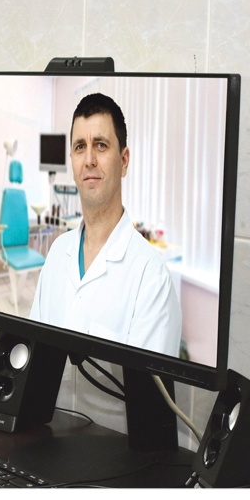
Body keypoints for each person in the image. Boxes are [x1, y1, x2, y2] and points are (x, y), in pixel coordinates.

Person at [28, 92, 181, 356]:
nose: (89, 160)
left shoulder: (151, 278)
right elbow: (32, 349)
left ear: (124, 161)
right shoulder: (57, 253)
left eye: (100, 145)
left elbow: (146, 383)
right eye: (80, 147)